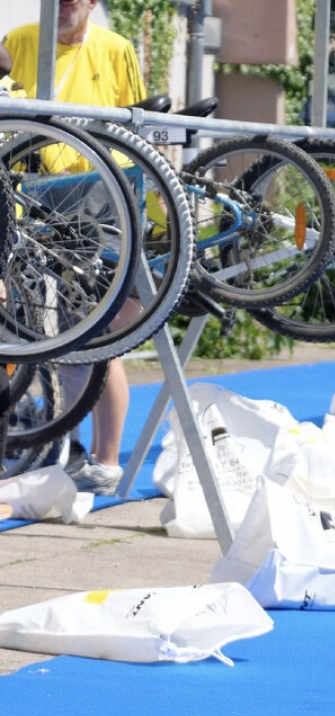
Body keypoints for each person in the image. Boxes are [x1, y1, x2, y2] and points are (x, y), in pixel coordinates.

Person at [2, 0, 147, 495]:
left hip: (96, 201)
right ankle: (64, 449)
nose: (65, 6)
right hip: (31, 198)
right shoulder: (21, 40)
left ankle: (106, 460)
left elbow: (138, 126)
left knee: (96, 335)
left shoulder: (115, 49)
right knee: (41, 332)